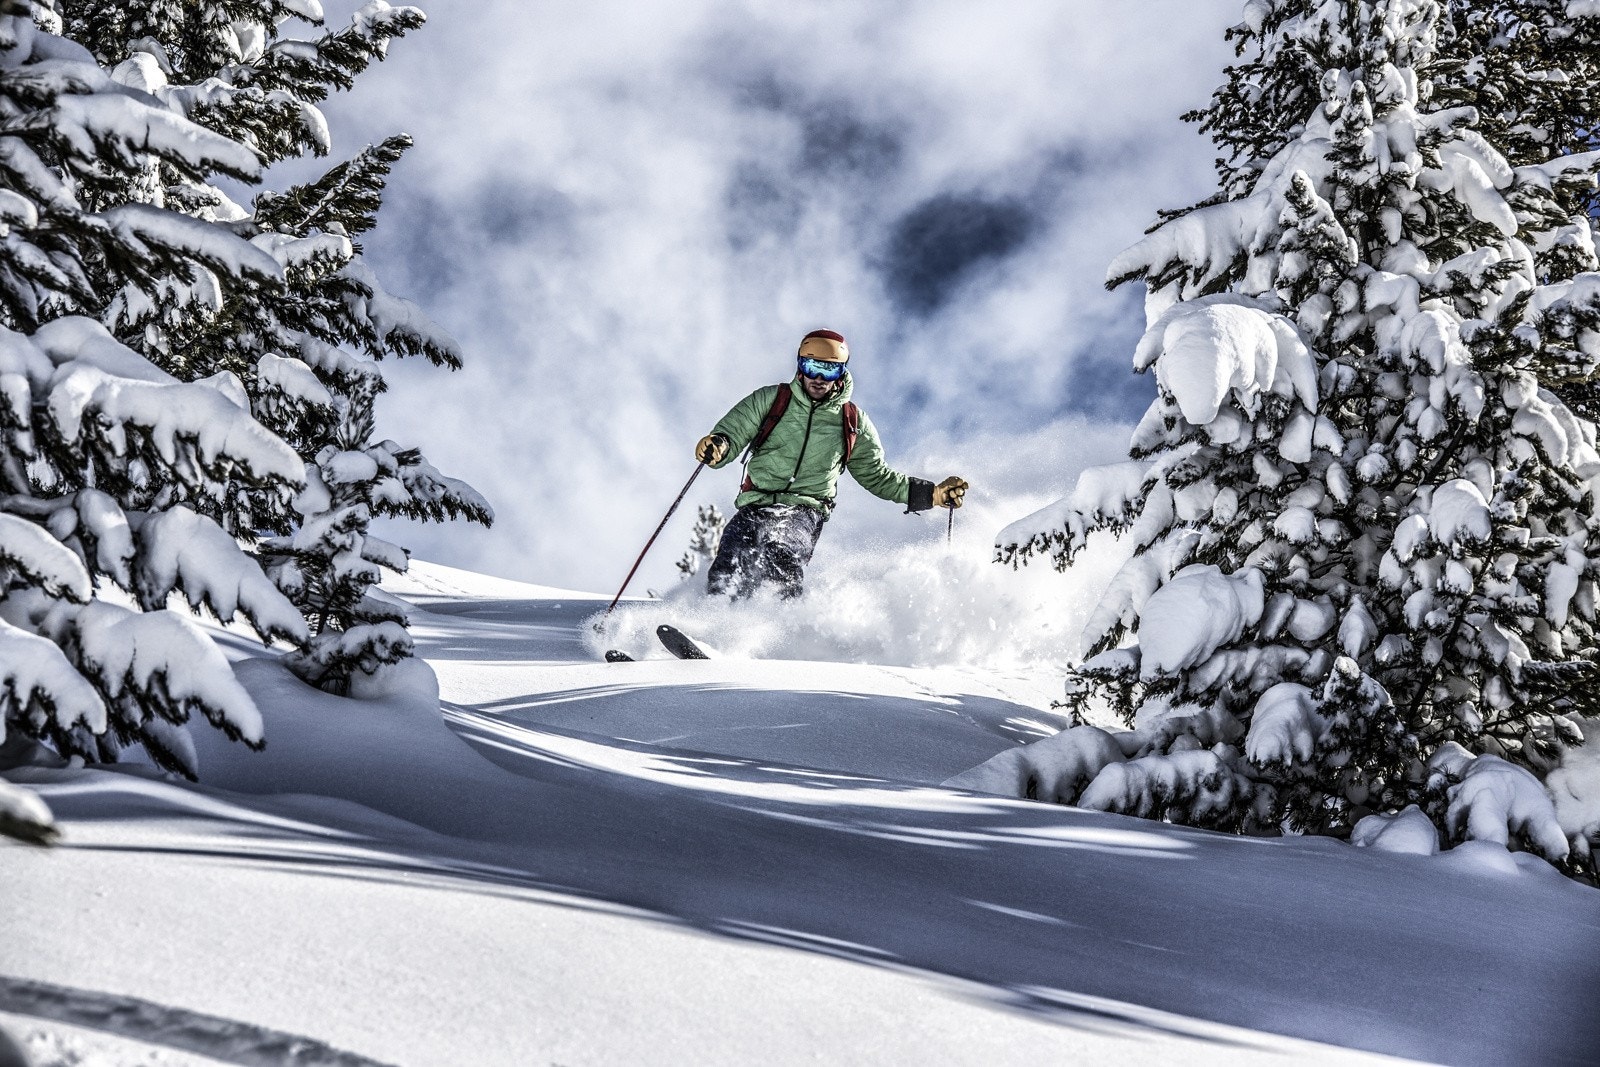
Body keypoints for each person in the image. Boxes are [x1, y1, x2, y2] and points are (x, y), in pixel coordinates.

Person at [694, 328, 967, 599]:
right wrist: (718, 446)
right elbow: (733, 433)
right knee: (730, 558)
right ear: (801, 366)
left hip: (803, 511)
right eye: (812, 367)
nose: (820, 379)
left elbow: (878, 476)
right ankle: (715, 620)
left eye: (830, 370)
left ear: (842, 372)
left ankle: (775, 625)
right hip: (756, 503)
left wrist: (932, 494)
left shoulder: (852, 421)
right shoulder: (772, 400)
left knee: (781, 553)